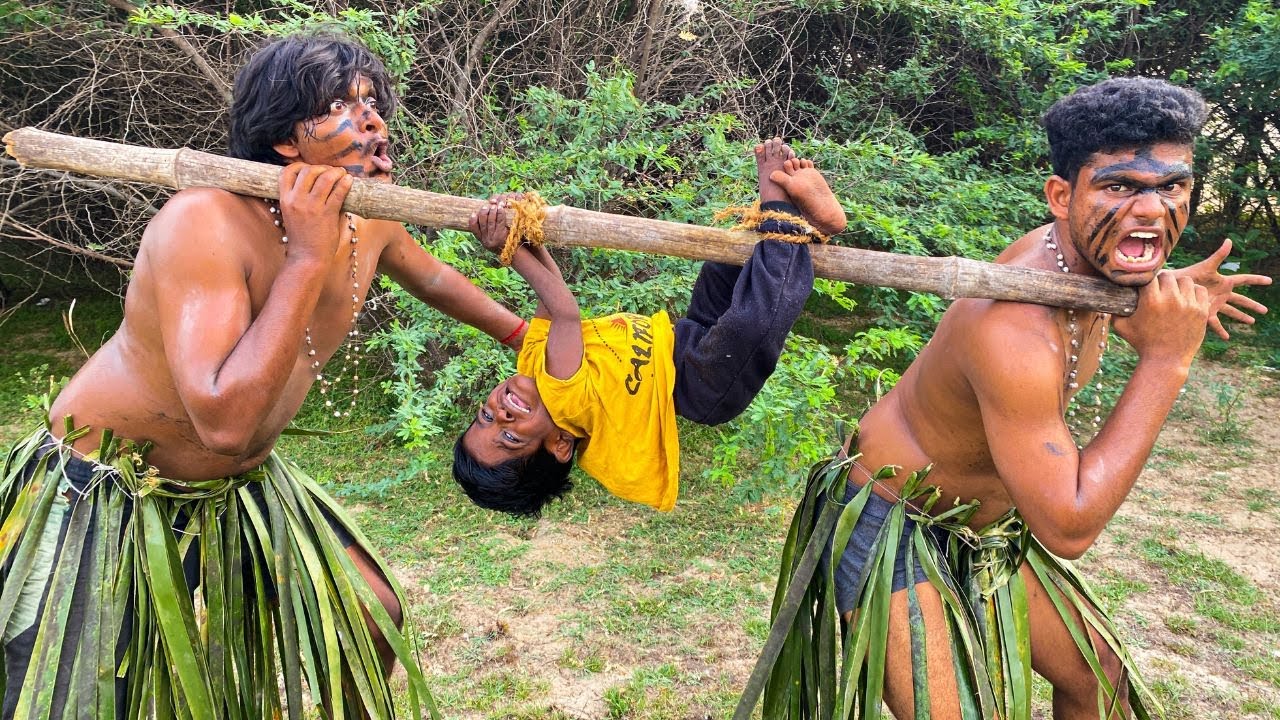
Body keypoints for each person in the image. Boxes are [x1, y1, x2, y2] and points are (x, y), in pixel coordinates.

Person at [0, 34, 529, 718]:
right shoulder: (206, 222)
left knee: (368, 613)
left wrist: (526, 338)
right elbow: (223, 420)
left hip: (238, 487)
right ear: (285, 143)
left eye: (372, 103)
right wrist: (308, 259)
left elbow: (433, 277)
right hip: (104, 494)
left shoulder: (369, 217)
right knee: (69, 693)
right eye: (340, 105)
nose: (371, 121)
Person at [767, 77, 1272, 719]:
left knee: (1098, 679)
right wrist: (1166, 359)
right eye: (1119, 186)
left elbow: (1117, 285)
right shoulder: (1012, 329)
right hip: (892, 523)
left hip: (987, 527)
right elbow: (1067, 524)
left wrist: (1162, 291)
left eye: (1170, 186)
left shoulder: (1091, 260)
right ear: (1062, 196)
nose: (1150, 210)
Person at [451, 138, 846, 515]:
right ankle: (783, 212)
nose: (500, 416)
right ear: (559, 445)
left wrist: (524, 233)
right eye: (511, 438)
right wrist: (507, 250)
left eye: (485, 418)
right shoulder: (563, 402)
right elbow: (565, 310)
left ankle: (805, 224)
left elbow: (551, 301)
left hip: (681, 341)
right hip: (699, 387)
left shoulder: (533, 363)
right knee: (754, 320)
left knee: (726, 266)